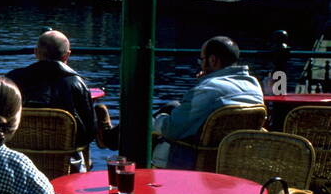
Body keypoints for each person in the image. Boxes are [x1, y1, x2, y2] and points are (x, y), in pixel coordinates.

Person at [94, 36, 265, 168]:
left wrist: (155, 120)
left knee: (144, 123)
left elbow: (172, 130)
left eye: (202, 59)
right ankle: (110, 138)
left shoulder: (208, 89)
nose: (201, 64)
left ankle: (128, 185)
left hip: (195, 159)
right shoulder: (253, 85)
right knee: (173, 106)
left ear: (213, 60)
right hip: (232, 160)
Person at [5, 30, 97, 147]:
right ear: (67, 55)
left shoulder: (12, 78)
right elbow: (90, 132)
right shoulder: (76, 83)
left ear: (36, 52)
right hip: (64, 153)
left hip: (19, 149)